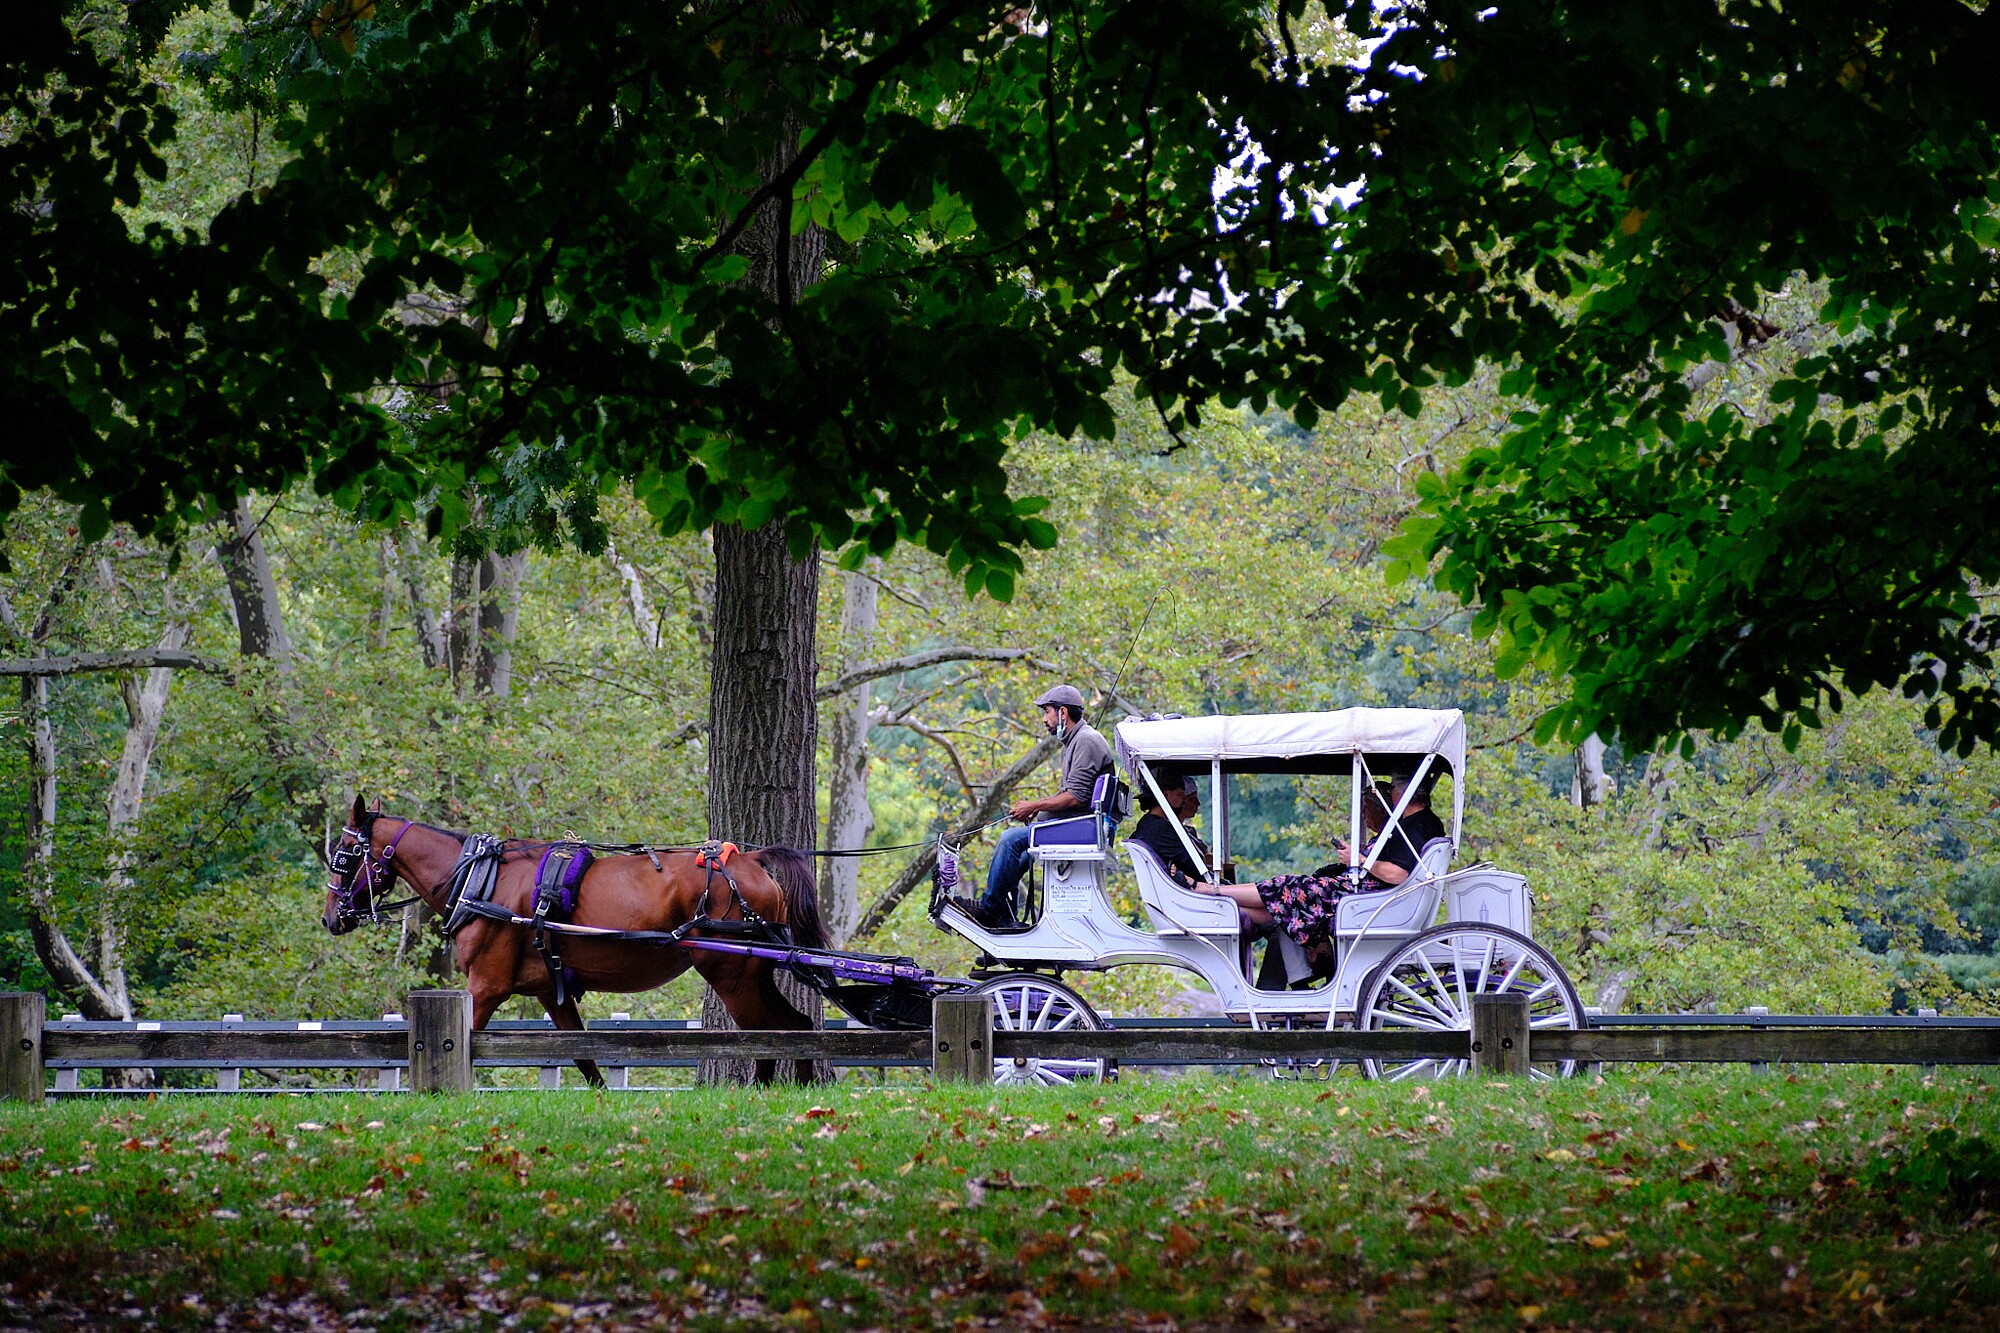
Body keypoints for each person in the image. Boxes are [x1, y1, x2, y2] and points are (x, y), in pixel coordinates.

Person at [956, 684, 1115, 927]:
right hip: (1075, 824)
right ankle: (1004, 917)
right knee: (1020, 851)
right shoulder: (1073, 741)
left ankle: (989, 910)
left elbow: (1076, 797)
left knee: (1010, 839)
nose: (1044, 719)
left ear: (1062, 713)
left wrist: (1034, 805)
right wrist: (1040, 812)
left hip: (1082, 828)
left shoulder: (1086, 740)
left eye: (1046, 712)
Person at [1128, 768, 1209, 886]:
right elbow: (1196, 866)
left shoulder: (1150, 824)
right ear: (1166, 795)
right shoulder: (1158, 829)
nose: (1183, 799)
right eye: (1180, 794)